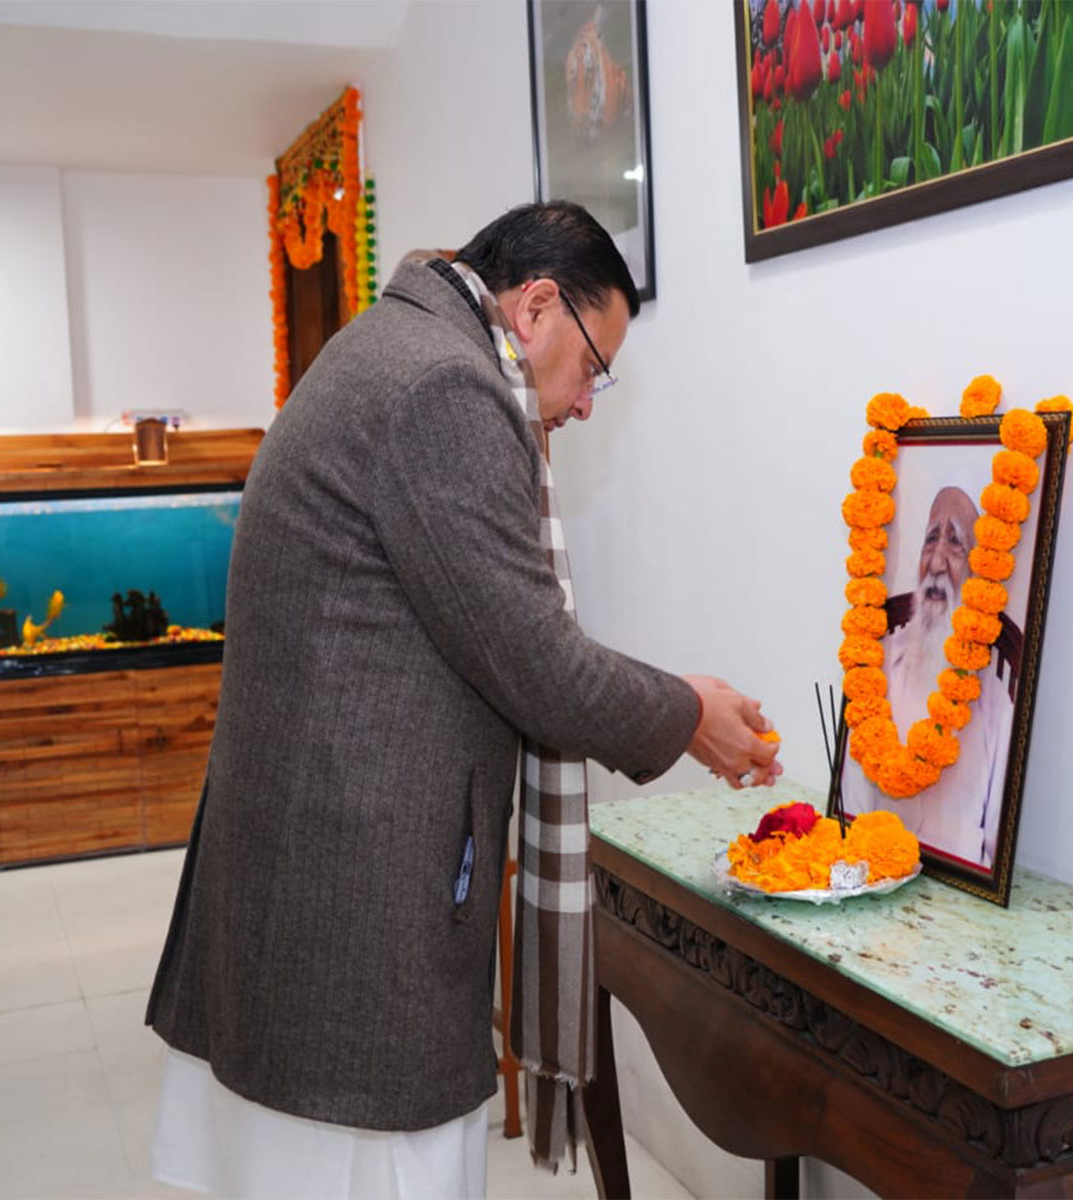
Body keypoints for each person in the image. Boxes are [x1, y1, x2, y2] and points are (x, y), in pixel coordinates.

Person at [144, 201, 781, 1200]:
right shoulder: (446, 388)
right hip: (354, 902)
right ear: (533, 307)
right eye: (594, 366)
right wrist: (687, 711)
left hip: (303, 866)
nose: (585, 402)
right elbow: (534, 664)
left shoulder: (394, 343)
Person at [841, 485, 1012, 868]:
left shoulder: (997, 700)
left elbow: (996, 849)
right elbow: (850, 808)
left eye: (955, 544)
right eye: (930, 539)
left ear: (976, 572)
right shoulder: (876, 670)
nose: (936, 563)